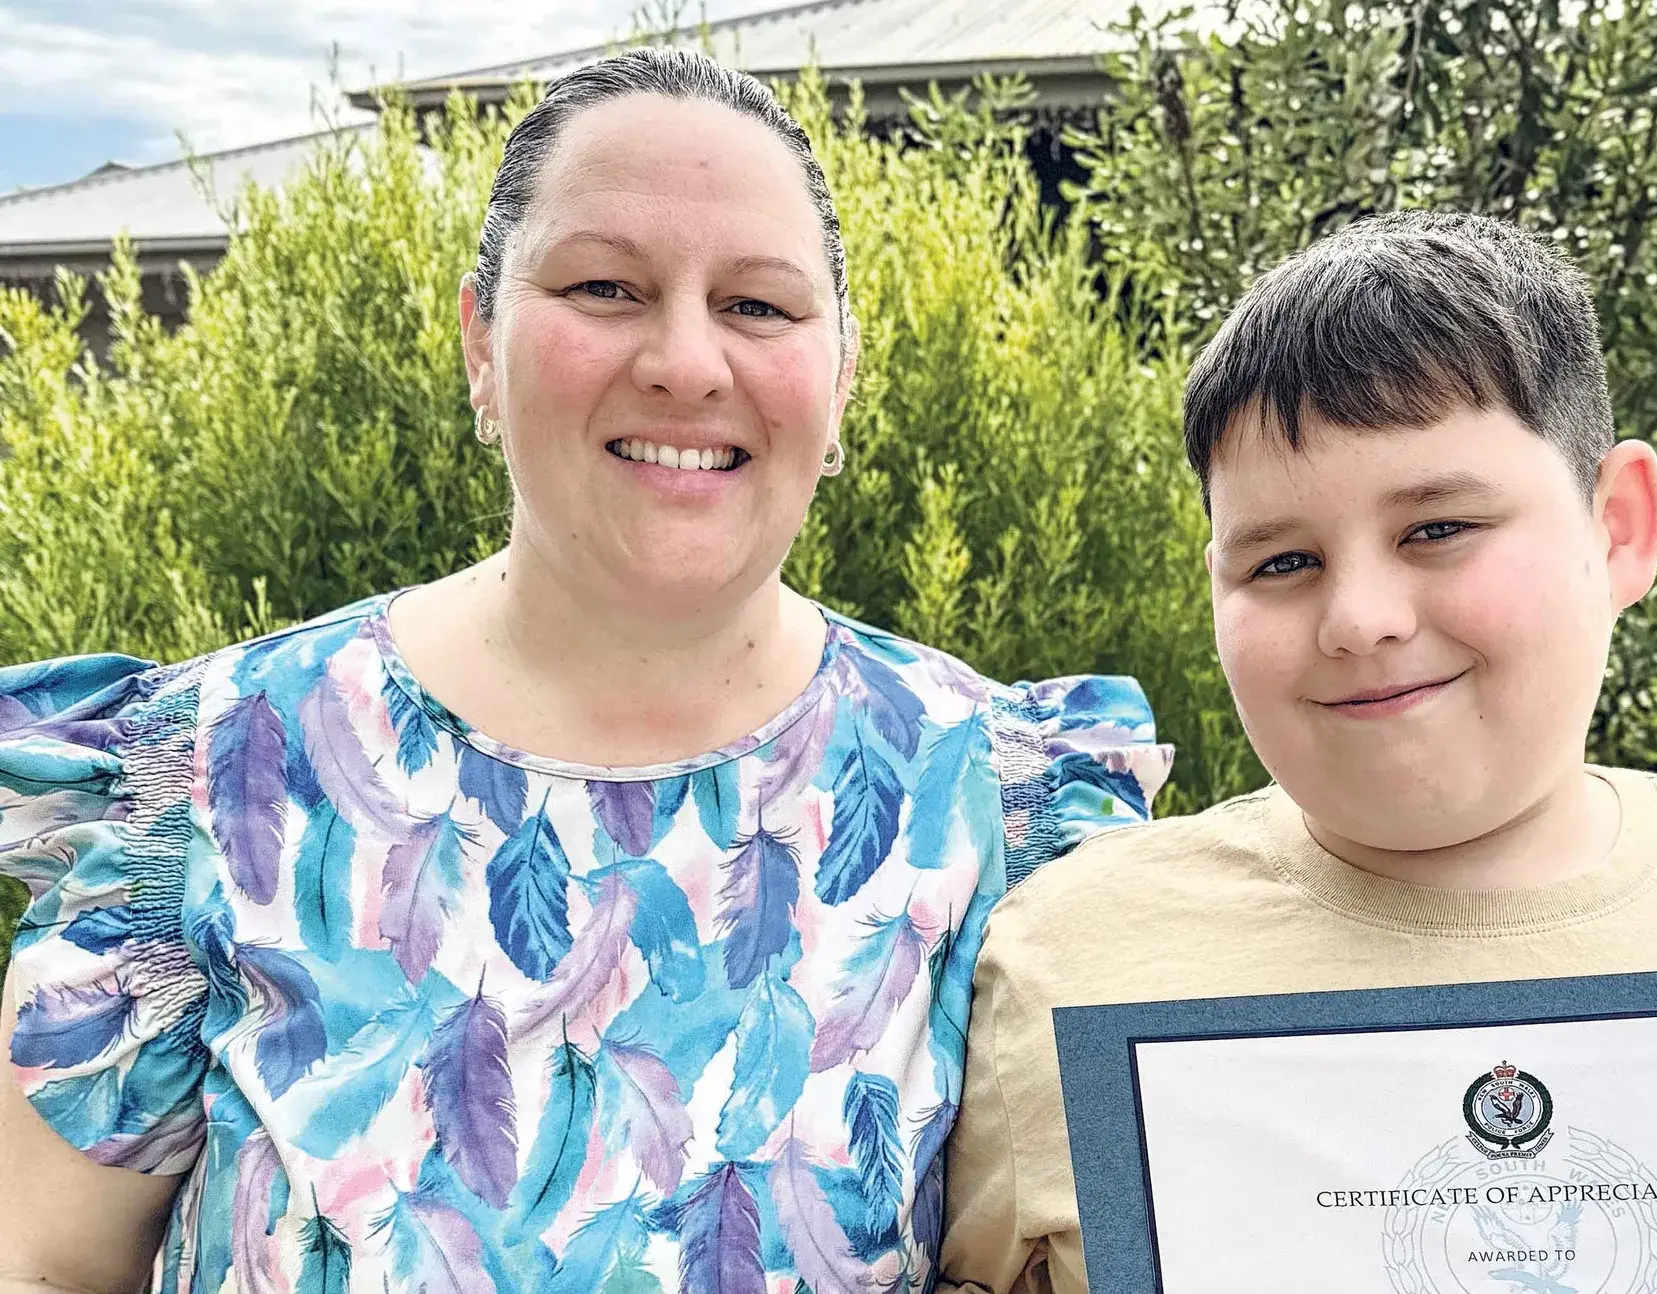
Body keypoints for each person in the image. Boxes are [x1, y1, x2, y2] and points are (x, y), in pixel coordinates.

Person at [0, 48, 1170, 1294]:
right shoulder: (213, 774)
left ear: (841, 378)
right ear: (480, 341)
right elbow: (44, 1266)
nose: (686, 361)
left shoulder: (994, 808)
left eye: (759, 306)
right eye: (605, 285)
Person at [935, 211, 1657, 1293]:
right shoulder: (1065, 959)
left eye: (1437, 529)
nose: (1359, 618)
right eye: (1281, 562)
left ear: (1619, 528)